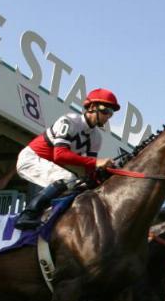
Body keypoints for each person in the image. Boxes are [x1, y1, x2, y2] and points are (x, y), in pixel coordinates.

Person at [14, 88, 121, 229]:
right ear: (93, 107)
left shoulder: (96, 138)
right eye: (106, 111)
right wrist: (96, 162)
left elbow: (89, 172)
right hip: (31, 159)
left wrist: (105, 174)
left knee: (81, 186)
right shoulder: (69, 121)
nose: (108, 117)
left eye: (111, 113)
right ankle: (27, 215)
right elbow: (59, 155)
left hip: (48, 163)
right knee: (68, 178)